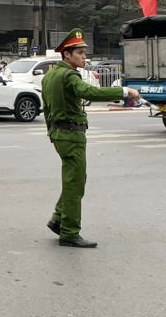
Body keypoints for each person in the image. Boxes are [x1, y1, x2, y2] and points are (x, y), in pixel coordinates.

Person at [42, 29, 140, 249]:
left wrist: (52, 132)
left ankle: (58, 219)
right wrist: (124, 91)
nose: (84, 57)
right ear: (66, 55)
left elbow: (46, 107)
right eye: (79, 53)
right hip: (72, 135)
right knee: (76, 184)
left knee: (74, 180)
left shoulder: (50, 75)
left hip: (59, 135)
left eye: (84, 53)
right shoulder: (69, 75)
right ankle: (69, 232)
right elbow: (89, 93)